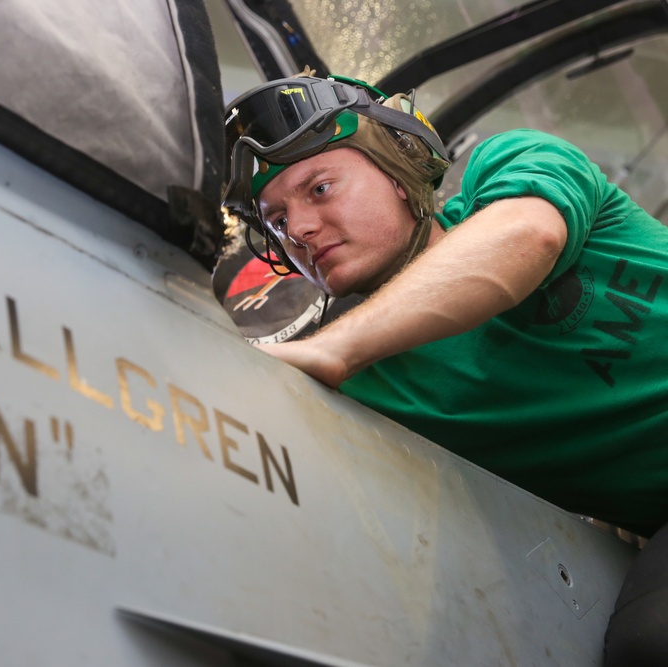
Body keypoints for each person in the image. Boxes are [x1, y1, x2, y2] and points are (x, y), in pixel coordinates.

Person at [222, 73, 668, 666]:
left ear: (400, 167)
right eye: (276, 220)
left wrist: (330, 351)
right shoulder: (367, 390)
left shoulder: (512, 163)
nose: (298, 230)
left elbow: (530, 236)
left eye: (321, 188)